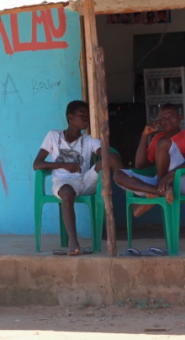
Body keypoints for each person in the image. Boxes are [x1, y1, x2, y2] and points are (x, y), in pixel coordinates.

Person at [33, 100, 121, 255]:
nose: (86, 119)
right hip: (63, 183)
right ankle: (74, 243)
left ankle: (128, 188)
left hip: (85, 180)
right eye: (82, 115)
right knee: (67, 193)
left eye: (88, 115)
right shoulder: (53, 136)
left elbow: (105, 155)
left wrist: (105, 152)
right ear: (70, 117)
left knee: (112, 158)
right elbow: (37, 164)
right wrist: (62, 165)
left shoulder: (89, 140)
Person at [114, 103, 185, 217]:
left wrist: (171, 174)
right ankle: (160, 191)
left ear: (180, 117)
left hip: (184, 181)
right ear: (159, 122)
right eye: (163, 119)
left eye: (172, 117)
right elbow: (140, 165)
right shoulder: (157, 138)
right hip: (161, 182)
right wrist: (144, 135)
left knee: (163, 142)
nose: (168, 121)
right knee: (118, 174)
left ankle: (159, 192)